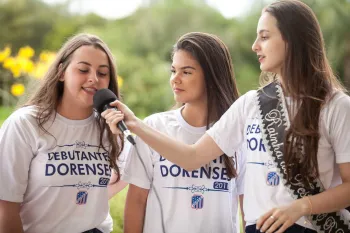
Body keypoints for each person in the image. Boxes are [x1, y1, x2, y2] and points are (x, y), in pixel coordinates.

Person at [101, 1, 350, 233]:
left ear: (293, 41)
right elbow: (193, 157)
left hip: (316, 227)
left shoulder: (337, 107)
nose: (255, 46)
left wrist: (302, 206)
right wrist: (134, 124)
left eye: (264, 37)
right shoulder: (250, 104)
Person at [103, 32, 245, 233]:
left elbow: (246, 207)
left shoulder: (238, 133)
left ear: (213, 76)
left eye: (186, 72)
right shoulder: (154, 127)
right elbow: (136, 201)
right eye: (173, 70)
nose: (175, 80)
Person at [0, 33, 127, 233]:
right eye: (83, 69)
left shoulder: (110, 127)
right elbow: (5, 206)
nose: (93, 78)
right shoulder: (25, 124)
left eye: (102, 73)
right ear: (61, 73)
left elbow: (129, 173)